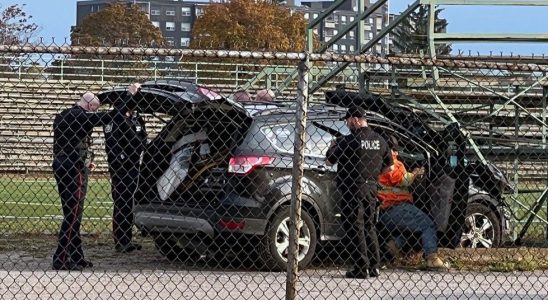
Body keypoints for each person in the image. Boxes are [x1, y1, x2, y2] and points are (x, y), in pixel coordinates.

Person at [51, 83, 140, 271]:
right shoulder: (80, 117)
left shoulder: (63, 115)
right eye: (95, 109)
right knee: (73, 215)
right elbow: (112, 116)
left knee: (72, 213)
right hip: (73, 168)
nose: (95, 112)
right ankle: (61, 257)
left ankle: (76, 255)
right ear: (90, 106)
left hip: (61, 164)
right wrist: (128, 95)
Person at [326, 106, 393, 279]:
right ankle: (375, 265)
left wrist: (332, 146)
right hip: (371, 187)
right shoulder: (380, 140)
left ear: (355, 120)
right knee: (369, 226)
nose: (347, 125)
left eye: (348, 121)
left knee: (355, 227)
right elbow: (390, 166)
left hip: (352, 189)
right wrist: (373, 175)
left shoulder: (348, 141)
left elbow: (328, 161)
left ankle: (361, 267)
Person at [377, 136, 447, 269]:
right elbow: (404, 180)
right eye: (394, 149)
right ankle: (431, 257)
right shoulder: (393, 163)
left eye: (397, 150)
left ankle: (394, 245)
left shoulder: (375, 160)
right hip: (396, 207)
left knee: (412, 229)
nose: (396, 153)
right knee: (428, 225)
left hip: (384, 211)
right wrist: (415, 172)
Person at [103, 106, 147, 253]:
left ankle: (127, 239)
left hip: (134, 164)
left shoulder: (136, 119)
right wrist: (121, 159)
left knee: (129, 203)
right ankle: (120, 240)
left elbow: (143, 139)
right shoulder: (114, 119)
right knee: (121, 202)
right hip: (121, 167)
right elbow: (112, 144)